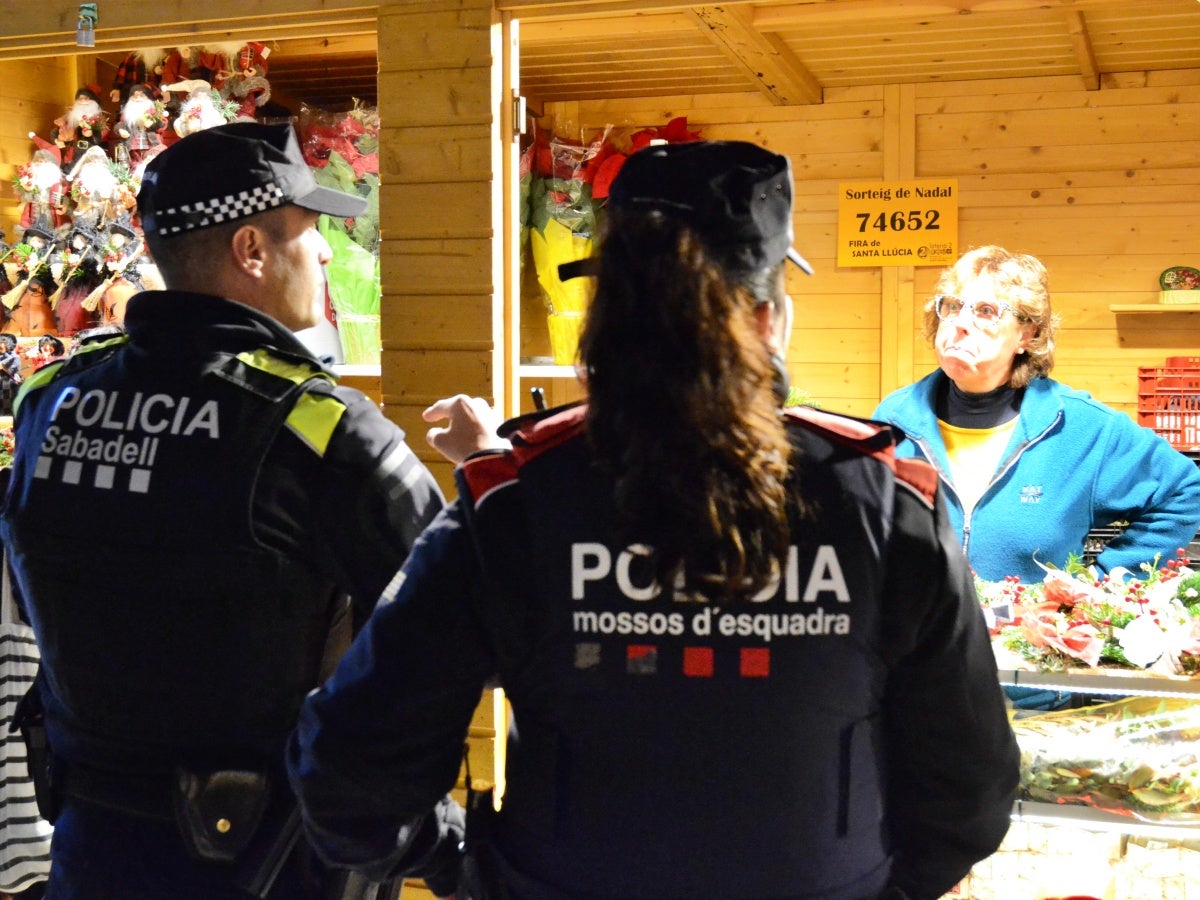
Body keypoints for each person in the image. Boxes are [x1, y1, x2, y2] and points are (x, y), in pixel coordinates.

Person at [286, 141, 1020, 900]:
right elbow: (972, 794)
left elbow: (351, 773)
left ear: (604, 311)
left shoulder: (514, 502)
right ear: (770, 317)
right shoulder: (890, 501)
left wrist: (469, 871)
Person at [0, 121, 446, 899]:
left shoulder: (48, 404)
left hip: (88, 854)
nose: (328, 253)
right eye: (312, 233)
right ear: (251, 250)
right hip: (272, 864)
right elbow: (452, 618)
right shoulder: (321, 431)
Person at [873, 245, 1200, 587]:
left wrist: (1107, 585)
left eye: (986, 311)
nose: (960, 323)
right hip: (916, 637)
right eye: (953, 306)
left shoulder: (1082, 427)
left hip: (1024, 638)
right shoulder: (894, 418)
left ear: (1026, 335)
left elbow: (1183, 490)